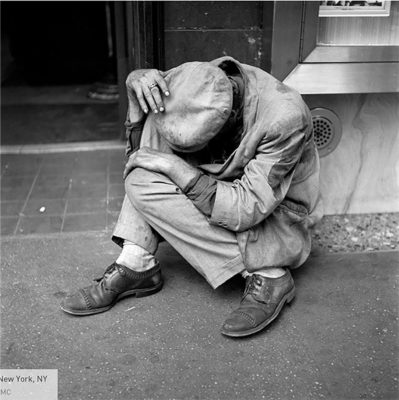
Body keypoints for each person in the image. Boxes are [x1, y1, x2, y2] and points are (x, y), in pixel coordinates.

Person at [61, 56, 323, 338]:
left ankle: (269, 274)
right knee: (141, 178)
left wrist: (175, 166)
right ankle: (137, 262)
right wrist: (134, 101)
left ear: (230, 120)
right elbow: (139, 159)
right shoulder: (181, 83)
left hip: (274, 216)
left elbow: (245, 210)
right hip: (221, 189)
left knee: (165, 169)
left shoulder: (284, 118)